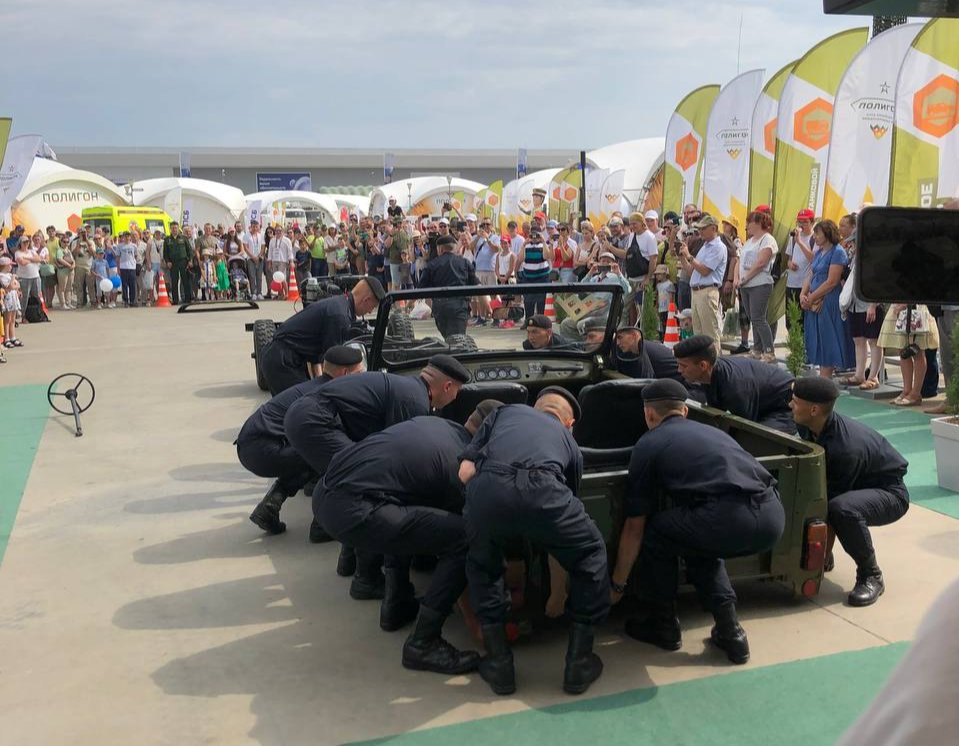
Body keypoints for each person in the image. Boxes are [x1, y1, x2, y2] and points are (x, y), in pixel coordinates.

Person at [315, 401, 503, 675]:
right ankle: (423, 642)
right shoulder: (459, 464)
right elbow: (475, 531)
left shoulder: (436, 425)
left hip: (326, 495)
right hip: (355, 511)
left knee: (410, 509)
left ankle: (396, 603)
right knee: (465, 537)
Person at [609, 379, 784, 664]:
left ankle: (663, 624)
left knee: (658, 533)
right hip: (772, 514)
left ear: (649, 414)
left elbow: (634, 525)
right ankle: (731, 633)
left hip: (726, 518)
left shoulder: (648, 444)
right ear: (685, 412)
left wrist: (617, 585)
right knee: (697, 542)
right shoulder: (712, 431)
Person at [460, 388, 609, 696]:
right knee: (589, 552)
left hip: (489, 489)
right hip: (545, 492)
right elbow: (568, 504)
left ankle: (499, 665)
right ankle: (578, 663)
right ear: (569, 424)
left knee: (483, 564)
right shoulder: (570, 443)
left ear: (533, 408)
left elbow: (466, 469)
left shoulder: (505, 412)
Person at [286, 356, 470, 581]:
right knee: (366, 485)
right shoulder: (414, 402)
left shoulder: (408, 387)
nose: (455, 397)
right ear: (447, 386)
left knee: (357, 479)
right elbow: (399, 473)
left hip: (305, 414)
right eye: (457, 391)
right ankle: (366, 577)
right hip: (317, 420)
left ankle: (347, 562)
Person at [791, 377, 909, 606]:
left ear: (814, 409)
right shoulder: (807, 423)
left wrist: (819, 558)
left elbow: (831, 504)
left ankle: (871, 575)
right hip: (858, 486)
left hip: (890, 493)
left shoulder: (845, 448)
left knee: (842, 509)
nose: (790, 405)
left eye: (795, 401)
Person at [241, 346, 365, 535]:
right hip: (265, 447)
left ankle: (269, 507)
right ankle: (322, 525)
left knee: (314, 449)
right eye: (360, 372)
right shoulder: (331, 394)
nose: (364, 377)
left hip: (250, 445)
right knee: (338, 455)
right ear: (345, 373)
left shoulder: (314, 385)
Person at [259, 277, 384, 396]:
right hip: (283, 361)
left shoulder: (340, 304)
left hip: (285, 356)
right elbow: (333, 363)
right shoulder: (340, 316)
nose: (369, 312)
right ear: (366, 300)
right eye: (372, 307)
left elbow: (320, 355)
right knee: (300, 408)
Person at [673, 334, 796, 434]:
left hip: (785, 408)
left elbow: (745, 427)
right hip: (762, 403)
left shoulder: (734, 387)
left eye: (683, 366)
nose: (679, 370)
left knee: (755, 440)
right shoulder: (710, 373)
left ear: (703, 365)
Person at [801, 219, 854, 378]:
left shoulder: (837, 252)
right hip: (813, 300)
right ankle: (822, 377)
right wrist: (803, 293)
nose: (815, 237)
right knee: (816, 337)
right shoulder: (818, 252)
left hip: (828, 301)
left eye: (818, 233)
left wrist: (811, 297)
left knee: (828, 339)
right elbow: (811, 273)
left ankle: (825, 378)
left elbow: (832, 282)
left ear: (827, 234)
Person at [676, 215, 727, 344]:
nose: (700, 231)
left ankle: (715, 362)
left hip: (707, 292)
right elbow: (692, 272)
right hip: (697, 291)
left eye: (703, 228)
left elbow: (705, 271)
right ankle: (702, 361)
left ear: (713, 228)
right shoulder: (705, 246)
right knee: (698, 332)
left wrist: (689, 256)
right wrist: (682, 257)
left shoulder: (718, 247)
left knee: (710, 332)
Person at [416, 234, 479, 339]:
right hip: (459, 306)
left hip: (441, 308)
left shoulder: (432, 265)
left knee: (450, 339)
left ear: (440, 249)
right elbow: (477, 285)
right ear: (454, 248)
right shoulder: (464, 263)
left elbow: (421, 288)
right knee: (458, 339)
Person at [736, 210, 778, 362]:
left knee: (759, 318)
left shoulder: (768, 239)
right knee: (753, 318)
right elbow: (739, 260)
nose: (747, 226)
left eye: (749, 223)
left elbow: (761, 262)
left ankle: (769, 351)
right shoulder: (749, 241)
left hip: (759, 284)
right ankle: (758, 349)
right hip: (745, 285)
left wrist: (746, 277)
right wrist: (737, 278)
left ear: (759, 223)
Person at [612, 325, 684, 383]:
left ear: (634, 335)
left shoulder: (644, 349)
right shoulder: (639, 349)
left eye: (620, 337)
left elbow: (647, 379)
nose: (618, 343)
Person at [785, 208, 816, 332]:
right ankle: (794, 347)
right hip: (791, 283)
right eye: (799, 222)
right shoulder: (793, 238)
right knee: (791, 320)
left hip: (806, 285)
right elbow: (788, 258)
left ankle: (804, 349)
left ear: (812, 222)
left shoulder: (814, 238)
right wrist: (790, 264)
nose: (801, 225)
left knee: (804, 321)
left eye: (805, 222)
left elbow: (814, 259)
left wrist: (800, 242)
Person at [163, 222, 193, 305]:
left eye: (175, 228)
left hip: (183, 262)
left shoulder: (183, 238)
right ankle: (175, 300)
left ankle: (187, 299)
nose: (174, 229)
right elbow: (165, 253)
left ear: (178, 228)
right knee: (174, 282)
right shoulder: (167, 239)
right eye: (172, 228)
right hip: (173, 263)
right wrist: (167, 261)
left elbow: (189, 250)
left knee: (185, 281)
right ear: (170, 229)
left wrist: (190, 260)